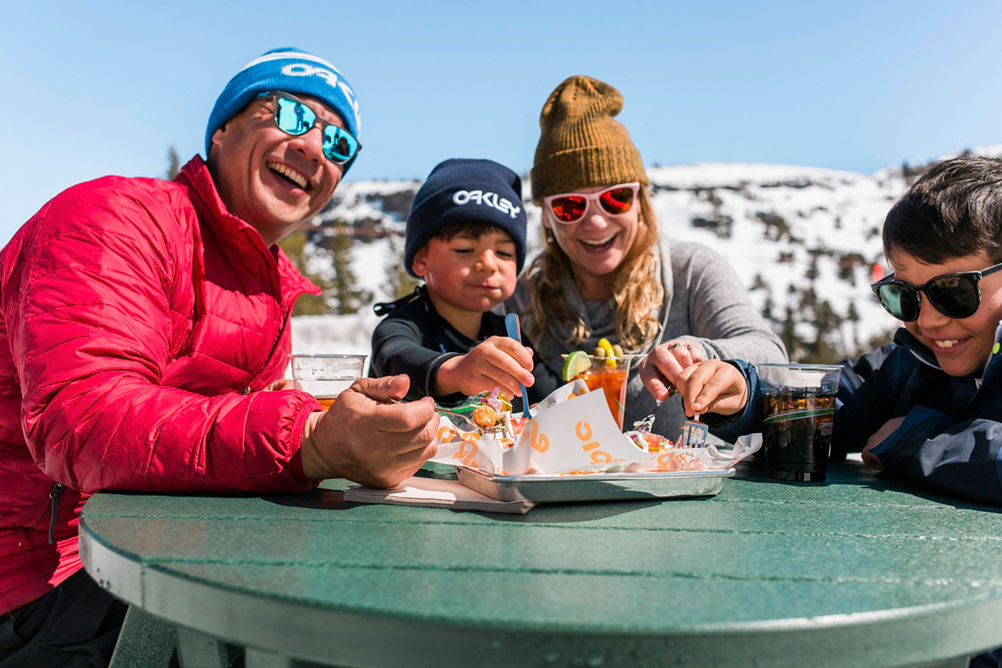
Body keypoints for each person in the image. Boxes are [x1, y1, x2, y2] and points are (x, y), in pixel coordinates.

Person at [0, 48, 439, 667]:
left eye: (339, 146)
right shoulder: (111, 220)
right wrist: (308, 439)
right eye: (289, 115)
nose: (315, 149)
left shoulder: (267, 291)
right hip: (39, 583)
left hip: (150, 555)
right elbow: (82, 418)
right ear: (224, 129)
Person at [673, 155, 1002, 506]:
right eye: (904, 296)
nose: (927, 321)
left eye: (953, 291)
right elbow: (833, 402)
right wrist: (746, 398)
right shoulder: (910, 362)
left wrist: (911, 440)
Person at [508, 75, 787, 440]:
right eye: (569, 205)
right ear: (546, 215)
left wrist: (699, 352)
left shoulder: (691, 272)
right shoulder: (524, 295)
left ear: (641, 201)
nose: (595, 221)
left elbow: (773, 358)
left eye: (615, 198)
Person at [370, 158, 560, 410]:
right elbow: (396, 358)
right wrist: (456, 370)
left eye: (504, 252)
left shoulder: (508, 336)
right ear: (420, 260)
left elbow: (553, 399)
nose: (489, 264)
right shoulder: (403, 325)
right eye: (465, 249)